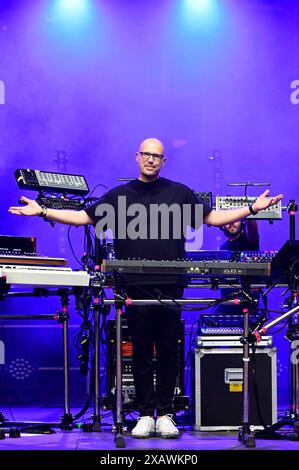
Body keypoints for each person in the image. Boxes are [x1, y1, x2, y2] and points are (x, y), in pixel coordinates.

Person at [8, 137, 283, 439]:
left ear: (163, 161)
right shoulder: (119, 195)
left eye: (158, 156)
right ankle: (143, 415)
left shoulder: (178, 193)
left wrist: (250, 209)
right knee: (139, 352)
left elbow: (212, 217)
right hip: (133, 285)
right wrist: (43, 210)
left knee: (167, 351)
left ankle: (164, 414)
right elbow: (82, 218)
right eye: (147, 155)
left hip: (170, 284)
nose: (152, 160)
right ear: (137, 157)